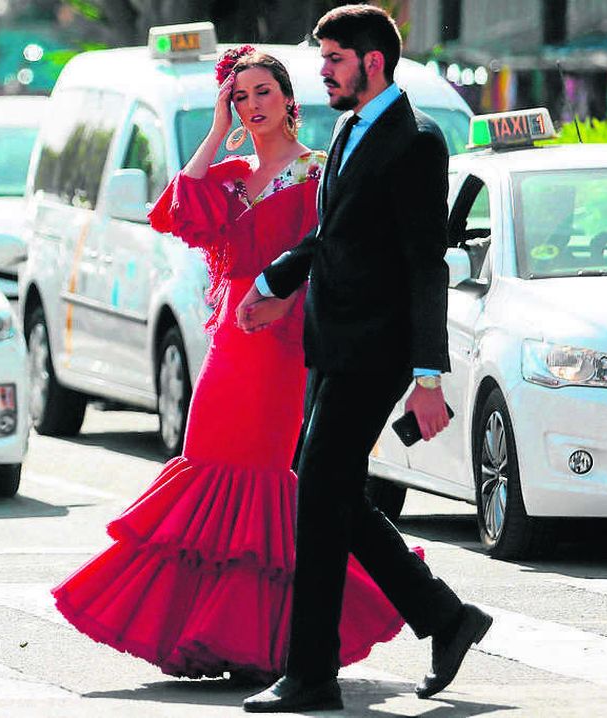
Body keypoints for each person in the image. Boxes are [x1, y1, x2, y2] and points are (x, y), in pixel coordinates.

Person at [51, 46, 411, 684]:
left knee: (265, 484)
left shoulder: (316, 171)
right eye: (239, 97)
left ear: (288, 97)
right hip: (228, 346)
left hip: (282, 344)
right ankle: (207, 634)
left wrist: (284, 302)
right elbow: (175, 209)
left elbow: (332, 258)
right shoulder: (232, 172)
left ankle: (264, 644)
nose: (252, 105)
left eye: (263, 91)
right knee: (205, 469)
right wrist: (217, 131)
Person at [237, 6, 492, 712]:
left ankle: (311, 674)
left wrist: (427, 376)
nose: (322, 71)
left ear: (372, 62)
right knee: (331, 493)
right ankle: (445, 617)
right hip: (332, 342)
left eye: (334, 59)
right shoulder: (350, 128)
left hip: (375, 352)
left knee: (319, 497)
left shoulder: (417, 142)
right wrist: (274, 281)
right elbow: (334, 234)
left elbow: (424, 262)